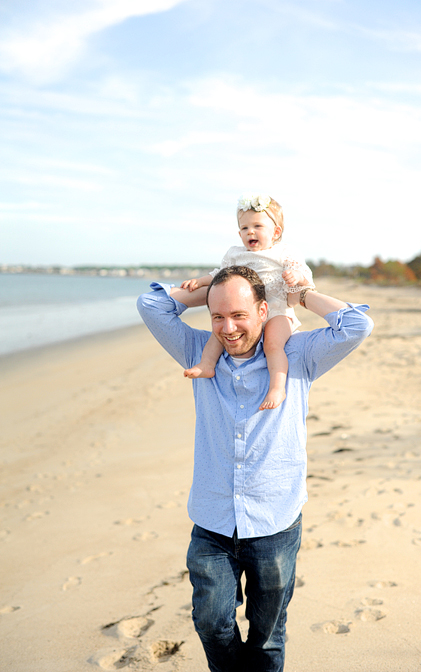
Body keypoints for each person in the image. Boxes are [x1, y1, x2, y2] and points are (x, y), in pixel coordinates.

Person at [137, 265, 373, 672]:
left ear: (263, 310)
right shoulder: (198, 353)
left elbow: (356, 324)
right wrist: (210, 293)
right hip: (213, 521)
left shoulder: (297, 356)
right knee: (211, 623)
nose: (228, 328)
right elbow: (151, 304)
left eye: (239, 315)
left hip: (275, 523)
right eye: (218, 317)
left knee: (267, 639)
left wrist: (298, 294)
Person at [178, 194, 314, 410]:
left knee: (273, 344)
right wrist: (201, 282)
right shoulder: (236, 254)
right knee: (218, 334)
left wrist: (296, 276)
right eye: (244, 228)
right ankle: (207, 364)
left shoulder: (284, 252)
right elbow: (220, 275)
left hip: (277, 310)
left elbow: (302, 272)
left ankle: (277, 387)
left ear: (276, 232)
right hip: (244, 313)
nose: (250, 232)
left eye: (257, 226)